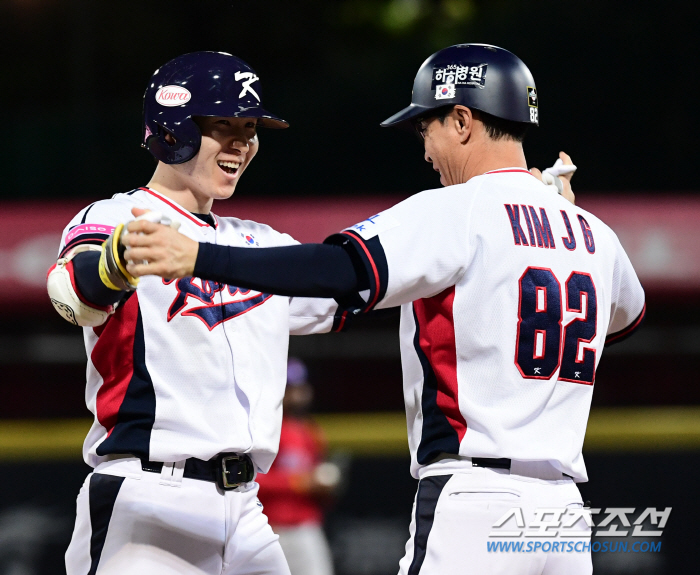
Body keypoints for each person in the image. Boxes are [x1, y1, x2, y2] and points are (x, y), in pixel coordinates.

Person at [123, 44, 646, 575]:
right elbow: (623, 320)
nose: (425, 149)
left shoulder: (456, 210)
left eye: (428, 128)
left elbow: (339, 270)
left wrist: (198, 256)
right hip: (562, 518)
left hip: (477, 500)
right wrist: (552, 220)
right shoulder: (595, 233)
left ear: (462, 120)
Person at [46, 51, 346, 575]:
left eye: (249, 128)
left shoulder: (259, 242)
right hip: (148, 499)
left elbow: (363, 282)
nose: (242, 142)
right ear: (174, 127)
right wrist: (117, 262)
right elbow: (73, 295)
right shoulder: (119, 216)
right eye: (223, 125)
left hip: (248, 510)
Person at [256, 358, 338, 575]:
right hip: (270, 527)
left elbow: (319, 490)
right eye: (290, 388)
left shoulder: (312, 432)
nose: (297, 394)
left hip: (305, 527)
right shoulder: (265, 429)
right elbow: (254, 480)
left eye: (301, 387)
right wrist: (299, 482)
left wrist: (324, 488)